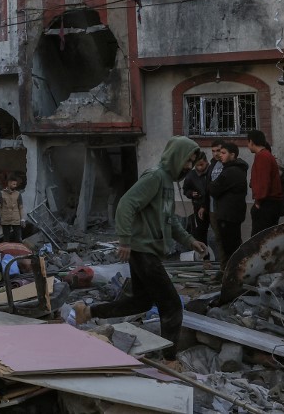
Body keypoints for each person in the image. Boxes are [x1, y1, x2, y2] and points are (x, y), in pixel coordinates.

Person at [73, 137, 207, 362]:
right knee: (172, 305)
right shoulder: (155, 177)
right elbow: (126, 205)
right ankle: (169, 360)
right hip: (142, 249)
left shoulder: (167, 182)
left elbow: (170, 219)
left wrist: (189, 240)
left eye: (192, 162)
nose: (189, 167)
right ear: (176, 157)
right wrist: (125, 240)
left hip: (148, 250)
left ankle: (87, 312)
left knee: (141, 302)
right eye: (187, 161)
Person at [208, 141, 248, 269]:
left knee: (230, 248)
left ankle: (232, 272)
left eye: (223, 153)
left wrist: (211, 186)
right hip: (230, 213)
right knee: (232, 245)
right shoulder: (232, 169)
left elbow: (213, 188)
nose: (220, 155)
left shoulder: (231, 171)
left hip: (228, 215)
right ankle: (232, 271)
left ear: (232, 155)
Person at [247, 129, 284, 236]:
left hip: (266, 204)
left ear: (251, 142)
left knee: (260, 239)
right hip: (269, 203)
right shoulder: (265, 155)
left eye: (248, 142)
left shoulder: (262, 156)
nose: (248, 146)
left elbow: (263, 182)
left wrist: (258, 203)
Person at [182, 153, 210, 245]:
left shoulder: (211, 172)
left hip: (212, 206)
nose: (199, 167)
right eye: (197, 165)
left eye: (201, 164)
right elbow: (185, 190)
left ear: (206, 162)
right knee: (201, 232)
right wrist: (191, 193)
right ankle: (203, 251)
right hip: (198, 206)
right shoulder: (191, 175)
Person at [0, 178, 25, 243]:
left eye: (16, 184)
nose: (15, 186)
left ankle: (18, 249)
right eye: (13, 184)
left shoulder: (18, 194)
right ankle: (7, 249)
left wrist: (22, 219)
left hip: (16, 219)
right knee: (6, 239)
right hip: (5, 219)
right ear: (9, 183)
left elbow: (21, 207)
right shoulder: (2, 194)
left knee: (18, 239)